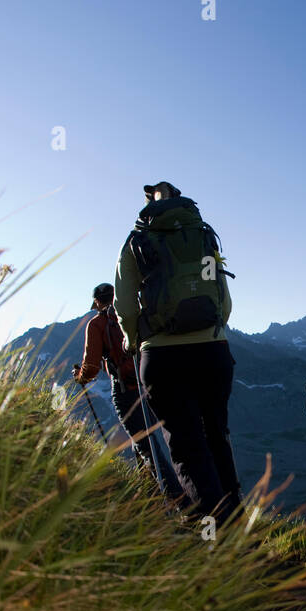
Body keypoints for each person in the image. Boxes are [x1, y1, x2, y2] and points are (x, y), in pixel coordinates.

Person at [115, 180, 242, 525]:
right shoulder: (203, 235)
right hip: (214, 351)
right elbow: (224, 300)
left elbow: (124, 306)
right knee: (217, 434)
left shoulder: (136, 242)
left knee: (187, 446)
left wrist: (132, 340)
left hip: (163, 356)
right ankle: (238, 523)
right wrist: (211, 332)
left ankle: (216, 534)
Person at [72, 282, 183, 499]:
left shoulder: (97, 324)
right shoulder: (136, 315)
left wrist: (80, 377)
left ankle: (182, 506)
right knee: (144, 442)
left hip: (126, 390)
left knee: (147, 448)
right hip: (151, 385)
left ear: (97, 302)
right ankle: (149, 499)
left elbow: (91, 368)